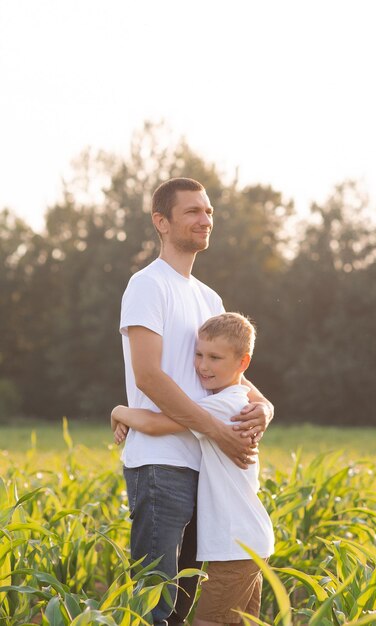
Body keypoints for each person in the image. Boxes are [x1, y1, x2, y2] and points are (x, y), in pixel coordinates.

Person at [118, 177, 274, 626]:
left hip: (204, 468)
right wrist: (217, 430)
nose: (205, 220)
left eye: (208, 212)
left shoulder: (209, 297)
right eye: (192, 212)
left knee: (184, 601)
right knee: (155, 603)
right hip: (160, 463)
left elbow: (234, 376)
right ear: (161, 222)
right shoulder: (147, 285)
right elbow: (149, 375)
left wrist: (263, 409)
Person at [112, 312, 275, 625]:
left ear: (243, 363)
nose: (203, 365)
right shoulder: (231, 399)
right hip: (247, 540)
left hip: (236, 545)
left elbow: (154, 423)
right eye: (198, 355)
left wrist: (119, 410)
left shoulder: (226, 404)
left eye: (214, 357)